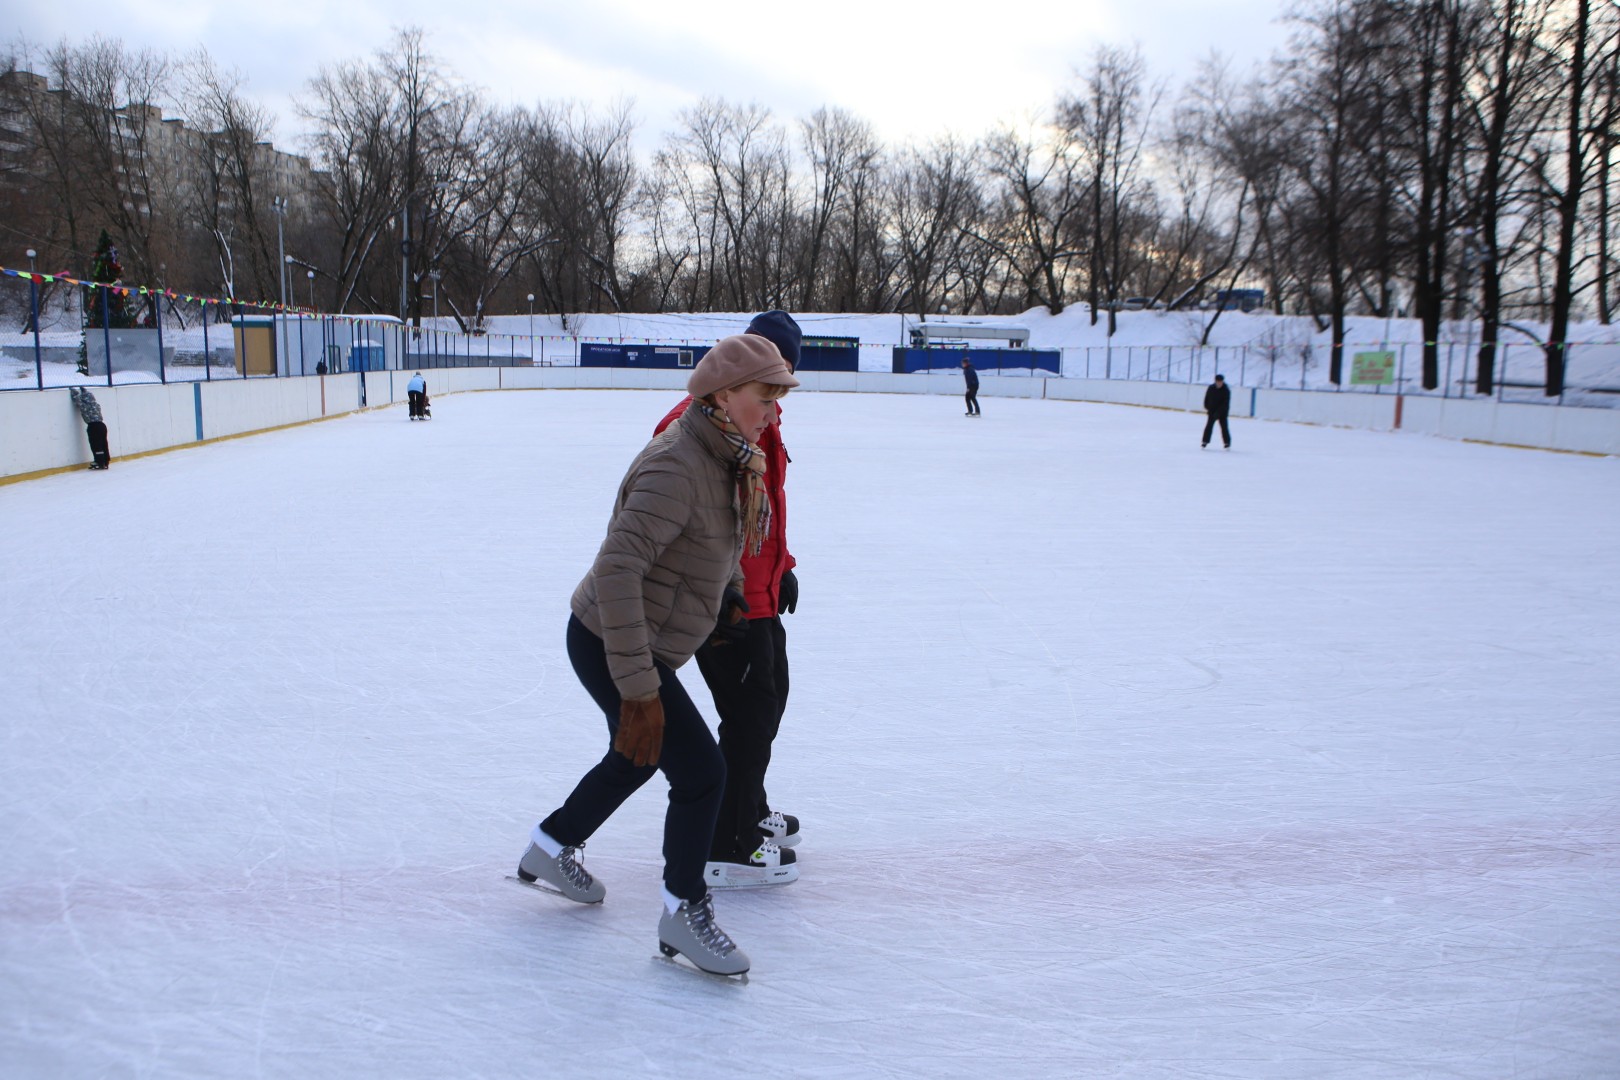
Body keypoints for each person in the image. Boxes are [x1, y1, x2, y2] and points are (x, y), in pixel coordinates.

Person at [516, 334, 799, 977]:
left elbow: (718, 544)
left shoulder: (728, 454)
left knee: (638, 757)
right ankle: (683, 912)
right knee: (700, 771)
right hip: (612, 636)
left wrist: (727, 597)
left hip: (648, 634)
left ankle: (550, 846)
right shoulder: (678, 464)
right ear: (724, 395)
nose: (773, 412)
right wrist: (640, 689)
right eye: (765, 397)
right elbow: (618, 571)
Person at [653, 310, 803, 890]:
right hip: (724, 598)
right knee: (747, 716)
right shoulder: (697, 422)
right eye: (773, 366)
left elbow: (763, 510)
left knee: (765, 708)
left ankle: (746, 806)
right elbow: (680, 512)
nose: (780, 380)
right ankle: (728, 843)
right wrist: (714, 595)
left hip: (760, 591)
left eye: (788, 369)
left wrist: (784, 567)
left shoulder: (766, 418)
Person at [69, 387, 110, 469]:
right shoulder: (96, 405)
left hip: (93, 426)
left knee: (95, 444)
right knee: (103, 443)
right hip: (102, 425)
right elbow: (88, 398)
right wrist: (84, 391)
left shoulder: (84, 406)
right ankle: (105, 460)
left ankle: (99, 461)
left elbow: (77, 401)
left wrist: (73, 392)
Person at [1202, 373, 1232, 449]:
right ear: (1215, 381)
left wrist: (1218, 412)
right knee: (1209, 426)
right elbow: (1207, 398)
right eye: (1217, 381)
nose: (1219, 383)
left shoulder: (1226, 390)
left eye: (1220, 381)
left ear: (1222, 381)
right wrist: (1207, 407)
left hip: (1222, 413)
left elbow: (1225, 404)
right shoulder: (1211, 388)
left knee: (1224, 428)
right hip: (1212, 411)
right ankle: (1205, 441)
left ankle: (1227, 443)